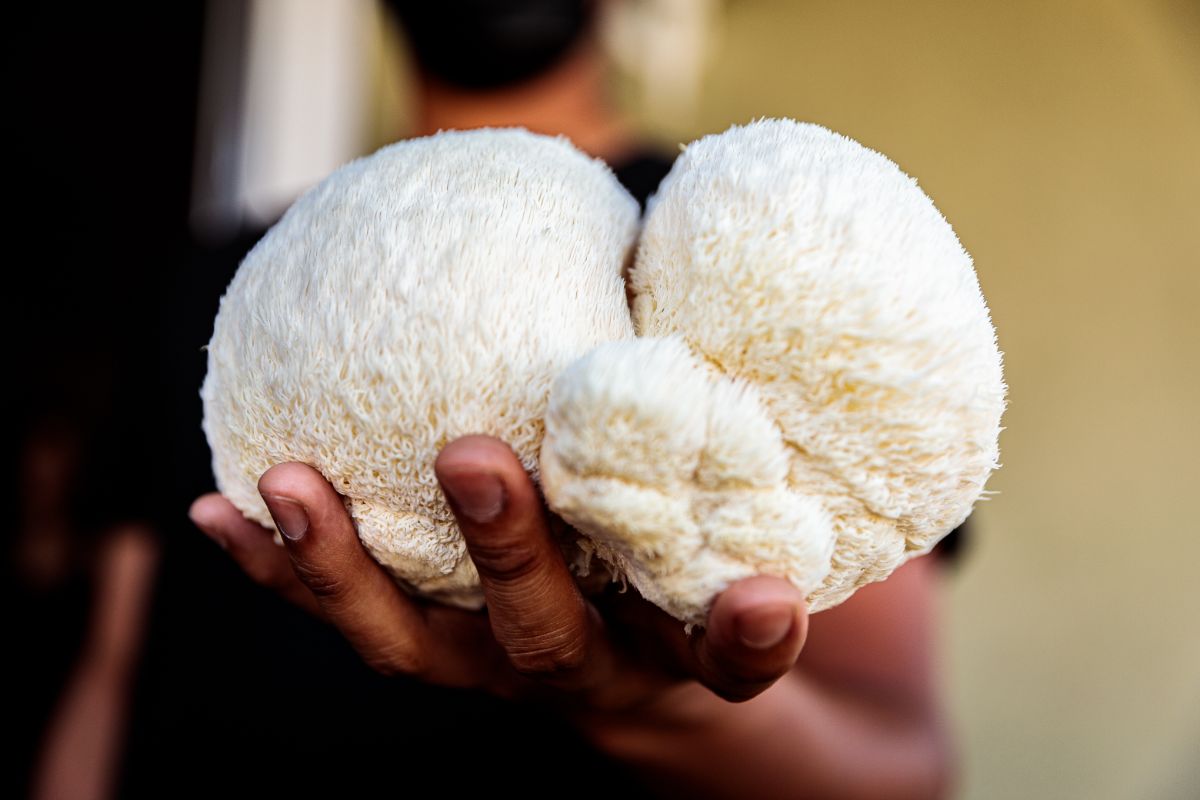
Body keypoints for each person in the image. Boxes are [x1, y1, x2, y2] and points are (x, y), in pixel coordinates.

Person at [184, 3, 954, 798]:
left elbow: (902, 767)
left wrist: (669, 714)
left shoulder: (764, 259)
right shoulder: (230, 300)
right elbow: (110, 666)